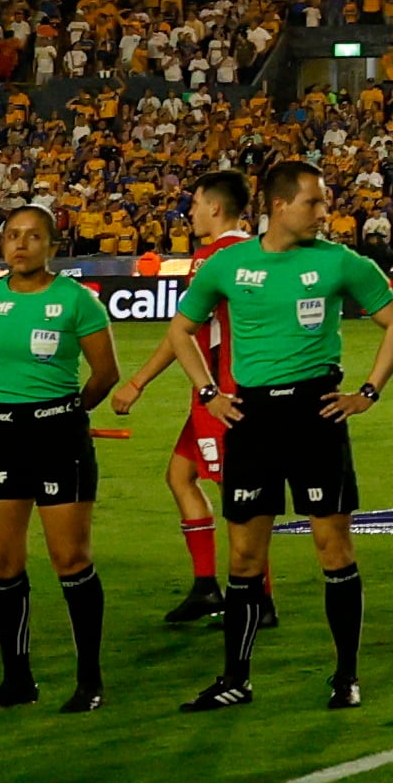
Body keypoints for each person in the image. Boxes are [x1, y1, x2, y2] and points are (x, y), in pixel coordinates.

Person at [174, 160, 393, 712]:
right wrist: (209, 393)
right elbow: (183, 330)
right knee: (244, 556)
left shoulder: (339, 262)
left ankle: (346, 675)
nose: (325, 213)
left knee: (333, 547)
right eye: (315, 202)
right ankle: (235, 677)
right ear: (279, 205)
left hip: (316, 416)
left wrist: (368, 392)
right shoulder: (230, 265)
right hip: (251, 419)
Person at [0, 203, 120, 712]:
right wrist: (16, 405)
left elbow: (104, 373)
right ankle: (17, 680)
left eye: (33, 236)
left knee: (70, 561)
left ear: (52, 246)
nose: (20, 245)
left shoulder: (77, 301)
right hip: (1, 434)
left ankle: (89, 680)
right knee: (3, 566)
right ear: (0, 245)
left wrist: (67, 412)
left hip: (59, 436)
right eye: (12, 236)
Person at [108, 169, 253, 628]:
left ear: (215, 207)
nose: (188, 212)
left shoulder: (213, 257)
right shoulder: (252, 250)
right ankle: (207, 586)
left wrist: (138, 382)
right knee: (180, 474)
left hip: (221, 391)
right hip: (228, 385)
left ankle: (255, 598)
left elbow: (182, 333)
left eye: (194, 203)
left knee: (238, 493)